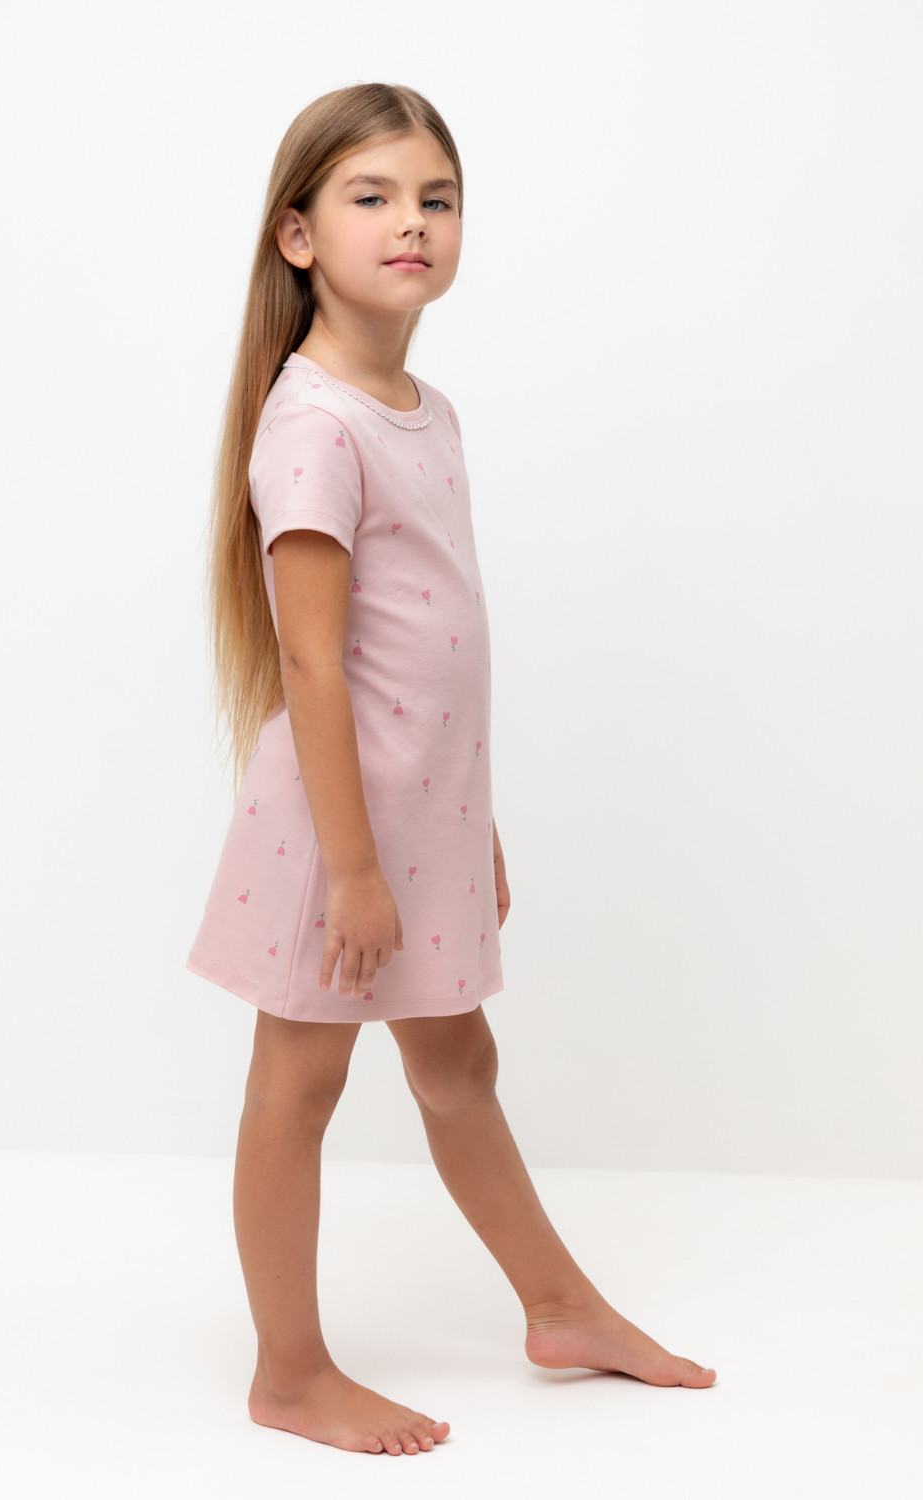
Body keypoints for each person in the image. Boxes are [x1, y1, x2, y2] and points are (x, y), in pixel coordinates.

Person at [185, 81, 717, 1458]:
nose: (411, 221)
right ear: (298, 236)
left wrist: (466, 828)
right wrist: (358, 870)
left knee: (458, 1060)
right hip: (334, 839)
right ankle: (289, 1372)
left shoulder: (426, 409)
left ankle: (561, 1307)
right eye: (371, 197)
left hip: (414, 824)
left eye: (437, 197)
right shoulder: (316, 424)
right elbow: (316, 669)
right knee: (297, 1088)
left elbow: (428, 662)